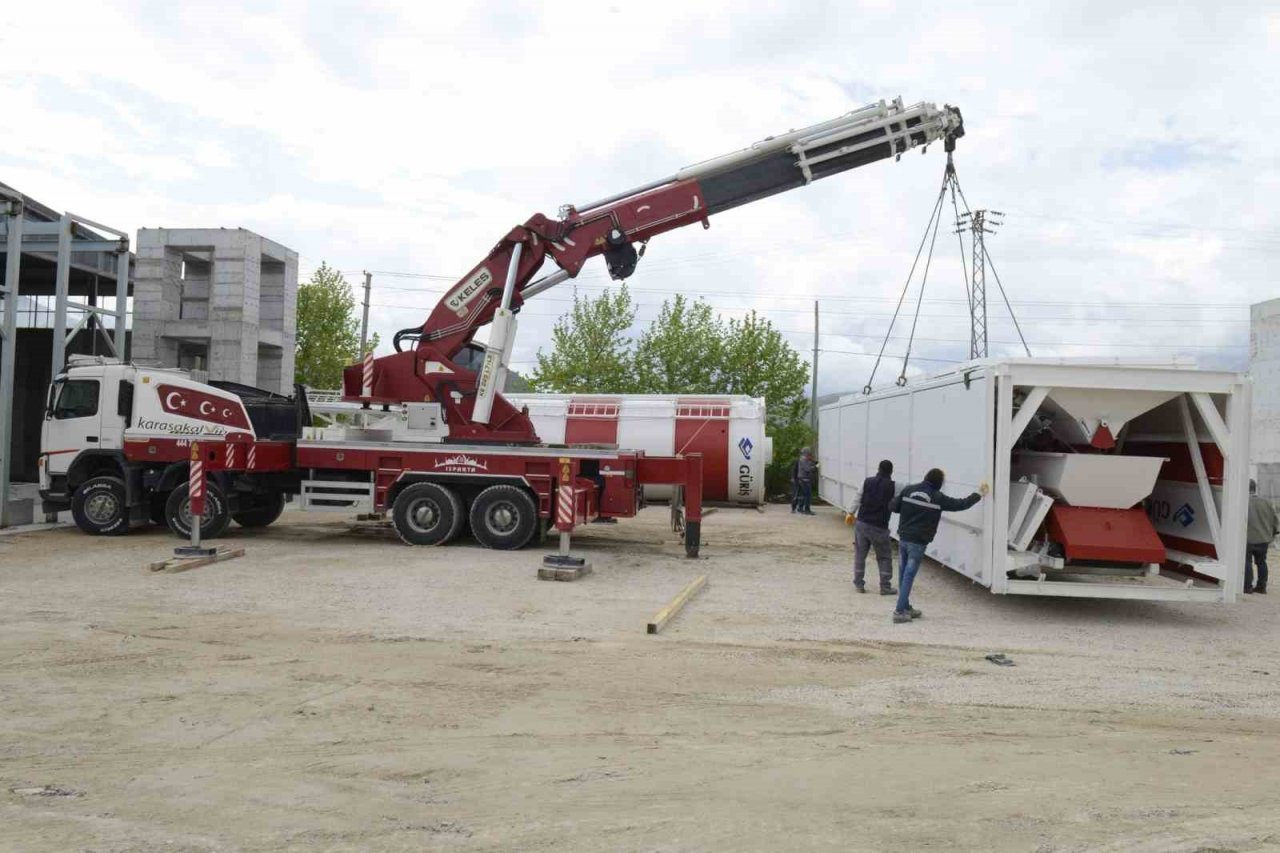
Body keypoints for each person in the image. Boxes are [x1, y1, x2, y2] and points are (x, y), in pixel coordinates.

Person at [888, 468, 987, 624]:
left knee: (903, 573)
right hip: (918, 542)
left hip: (904, 538)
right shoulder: (937, 497)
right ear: (938, 482)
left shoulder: (909, 489)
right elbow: (960, 504)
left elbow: (894, 507)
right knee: (909, 575)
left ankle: (905, 607)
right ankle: (899, 612)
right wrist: (979, 494)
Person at [853, 459, 897, 595]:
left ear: (878, 469)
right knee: (884, 556)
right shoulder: (894, 486)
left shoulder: (867, 481)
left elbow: (857, 497)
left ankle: (859, 584)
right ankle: (885, 586)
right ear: (891, 471)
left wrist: (849, 512)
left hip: (862, 523)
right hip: (879, 526)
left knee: (860, 554)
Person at [1245, 479, 1278, 594]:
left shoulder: (1243, 502)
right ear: (1255, 488)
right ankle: (1261, 587)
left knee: (1247, 562)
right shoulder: (1267, 502)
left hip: (1248, 539)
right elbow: (1275, 520)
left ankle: (1247, 587)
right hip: (1264, 539)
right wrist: (1273, 534)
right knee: (1261, 562)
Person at [791, 448, 818, 515]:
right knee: (807, 495)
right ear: (806, 453)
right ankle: (807, 509)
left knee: (802, 495)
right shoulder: (803, 460)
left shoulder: (804, 459)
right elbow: (807, 469)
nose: (810, 455)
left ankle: (800, 508)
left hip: (802, 479)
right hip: (804, 480)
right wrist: (815, 467)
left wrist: (812, 462)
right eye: (809, 454)